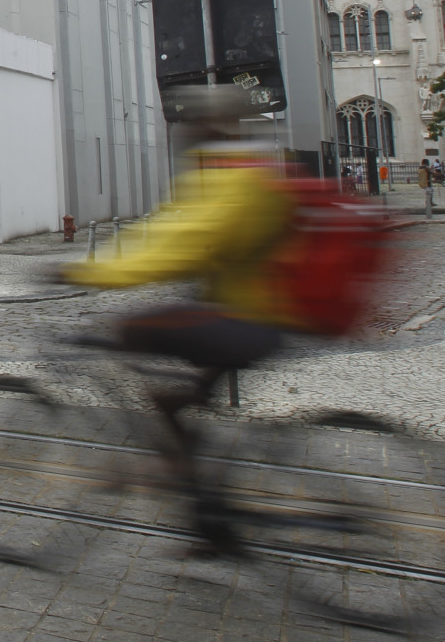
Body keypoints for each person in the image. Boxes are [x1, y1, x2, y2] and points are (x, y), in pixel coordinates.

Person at [61, 85, 307, 552]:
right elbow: (171, 231)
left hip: (248, 321)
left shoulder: (231, 182)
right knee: (175, 399)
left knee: (131, 330)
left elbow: (179, 245)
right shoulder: (252, 174)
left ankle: (185, 479)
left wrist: (83, 270)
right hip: (263, 316)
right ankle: (210, 520)